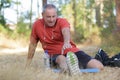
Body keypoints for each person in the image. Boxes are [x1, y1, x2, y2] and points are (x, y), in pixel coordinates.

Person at [26, 4, 104, 74]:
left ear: (56, 15)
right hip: (54, 55)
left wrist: (66, 42)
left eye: (53, 16)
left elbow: (65, 30)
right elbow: (32, 45)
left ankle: (75, 67)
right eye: (48, 17)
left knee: (99, 67)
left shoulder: (62, 21)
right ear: (42, 15)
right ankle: (70, 68)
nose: (51, 19)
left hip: (72, 51)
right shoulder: (37, 25)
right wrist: (28, 64)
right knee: (62, 59)